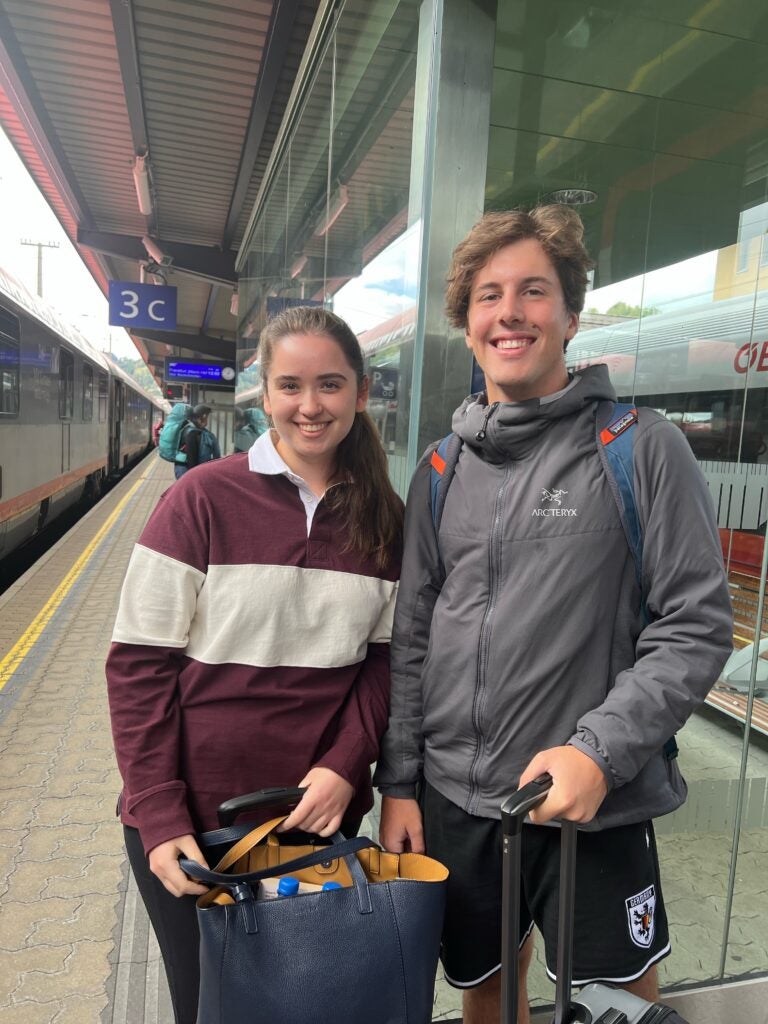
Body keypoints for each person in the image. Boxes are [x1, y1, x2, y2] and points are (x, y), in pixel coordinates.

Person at [373, 206, 733, 1024]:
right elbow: (415, 639)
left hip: (593, 810)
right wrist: (399, 785)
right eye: (489, 295)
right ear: (467, 324)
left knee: (617, 1008)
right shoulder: (439, 469)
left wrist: (598, 753)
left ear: (570, 316)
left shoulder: (641, 447)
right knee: (489, 999)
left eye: (534, 291)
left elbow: (697, 623)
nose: (510, 312)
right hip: (459, 803)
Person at [105, 306, 403, 1024]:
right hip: (195, 826)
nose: (310, 405)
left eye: (330, 384)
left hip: (313, 821)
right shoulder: (200, 499)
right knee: (209, 1008)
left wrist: (345, 764)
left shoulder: (386, 520)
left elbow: (387, 664)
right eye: (290, 385)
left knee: (310, 1006)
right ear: (264, 396)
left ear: (360, 394)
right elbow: (138, 666)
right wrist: (157, 807)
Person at [175, 403, 221, 478]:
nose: (207, 420)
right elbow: (192, 460)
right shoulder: (192, 433)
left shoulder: (189, 429)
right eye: (207, 417)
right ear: (203, 416)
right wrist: (195, 478)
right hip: (186, 471)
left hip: (184, 469)